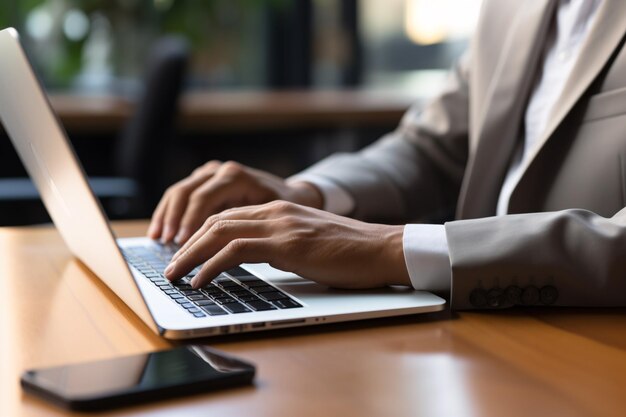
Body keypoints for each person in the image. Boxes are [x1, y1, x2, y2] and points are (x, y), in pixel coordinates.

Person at [149, 0, 626, 309]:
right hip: (482, 338)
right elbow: (430, 147)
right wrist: (309, 193)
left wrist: (391, 248)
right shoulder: (511, 9)